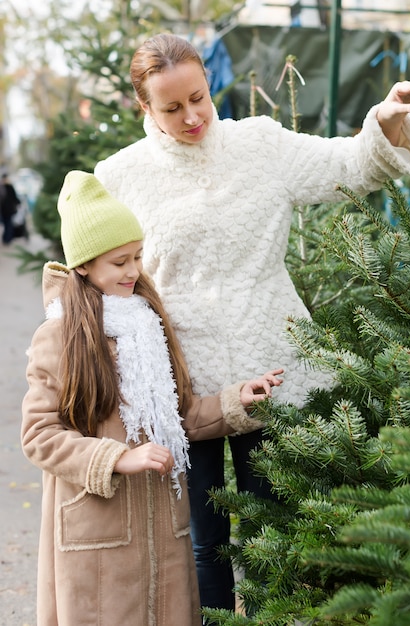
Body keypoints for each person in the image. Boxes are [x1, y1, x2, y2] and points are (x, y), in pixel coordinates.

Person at [94, 32, 410, 613]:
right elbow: (98, 274)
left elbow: (347, 165)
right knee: (203, 544)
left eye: (198, 98)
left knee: (274, 539)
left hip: (274, 368)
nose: (192, 116)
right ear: (144, 108)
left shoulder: (259, 143)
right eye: (172, 108)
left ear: (208, 85)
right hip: (184, 389)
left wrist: (384, 117)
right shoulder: (120, 175)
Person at [21, 170, 283, 626]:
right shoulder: (59, 336)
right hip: (99, 528)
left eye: (138, 256)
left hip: (163, 523)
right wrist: (115, 458)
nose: (133, 271)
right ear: (83, 265)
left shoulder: (148, 323)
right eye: (119, 261)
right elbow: (39, 436)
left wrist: (237, 400)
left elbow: (180, 417)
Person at [0, 172, 20, 244]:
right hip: (7, 210)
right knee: (8, 224)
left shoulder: (3, 187)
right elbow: (15, 198)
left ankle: (6, 238)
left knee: (6, 224)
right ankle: (7, 238)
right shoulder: (8, 187)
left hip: (4, 210)